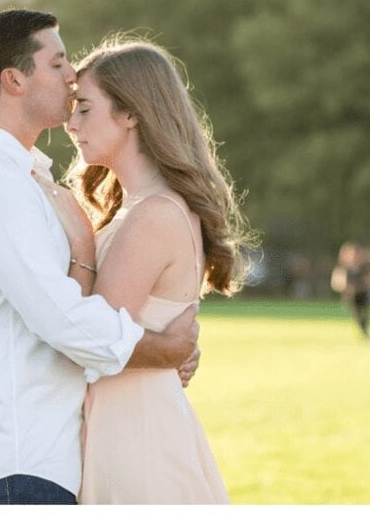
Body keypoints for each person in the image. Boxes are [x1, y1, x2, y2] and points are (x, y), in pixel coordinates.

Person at [0, 10, 201, 505]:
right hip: (14, 459)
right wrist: (163, 351)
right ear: (14, 81)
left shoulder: (23, 176)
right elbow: (62, 321)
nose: (72, 75)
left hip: (37, 455)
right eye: (57, 64)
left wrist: (160, 348)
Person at [33, 35, 253, 503]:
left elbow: (88, 338)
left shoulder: (151, 214)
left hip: (136, 440)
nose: (70, 124)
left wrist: (77, 238)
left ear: (131, 113)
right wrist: (171, 350)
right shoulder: (138, 209)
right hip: (129, 424)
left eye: (85, 108)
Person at [331, 241, 370, 340]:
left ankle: (366, 332)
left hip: (363, 294)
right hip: (351, 296)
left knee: (364, 315)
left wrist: (361, 286)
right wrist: (346, 288)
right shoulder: (344, 267)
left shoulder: (365, 267)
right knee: (357, 315)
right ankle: (364, 332)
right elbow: (337, 282)